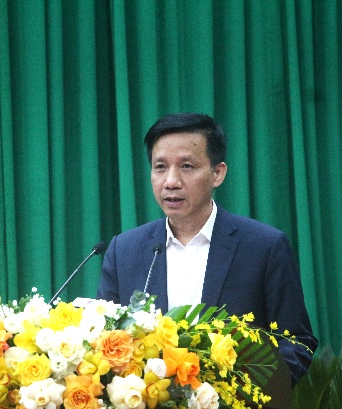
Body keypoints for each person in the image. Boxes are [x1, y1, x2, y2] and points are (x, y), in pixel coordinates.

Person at [97, 112, 317, 384]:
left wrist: (244, 391)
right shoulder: (124, 251)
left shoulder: (263, 247)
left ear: (217, 173)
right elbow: (104, 340)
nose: (171, 181)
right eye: (160, 167)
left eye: (187, 166)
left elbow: (297, 342)